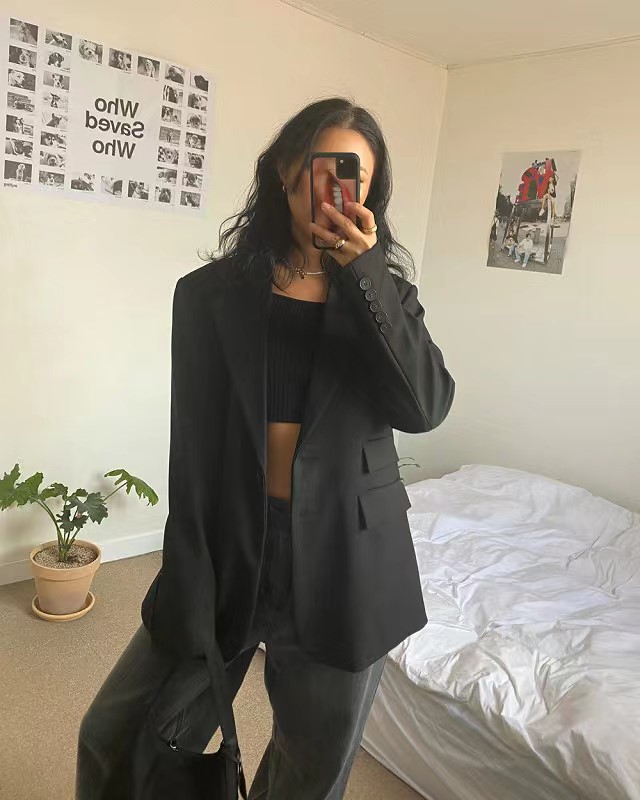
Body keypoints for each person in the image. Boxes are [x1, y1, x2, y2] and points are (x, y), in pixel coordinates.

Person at [75, 97, 455, 800]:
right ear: (284, 171)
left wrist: (365, 275)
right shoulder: (208, 295)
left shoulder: (385, 297)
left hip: (345, 558)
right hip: (229, 546)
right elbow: (191, 447)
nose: (334, 188)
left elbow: (426, 407)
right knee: (112, 735)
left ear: (370, 192)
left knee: (308, 774)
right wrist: (185, 562)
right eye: (321, 167)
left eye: (353, 175)